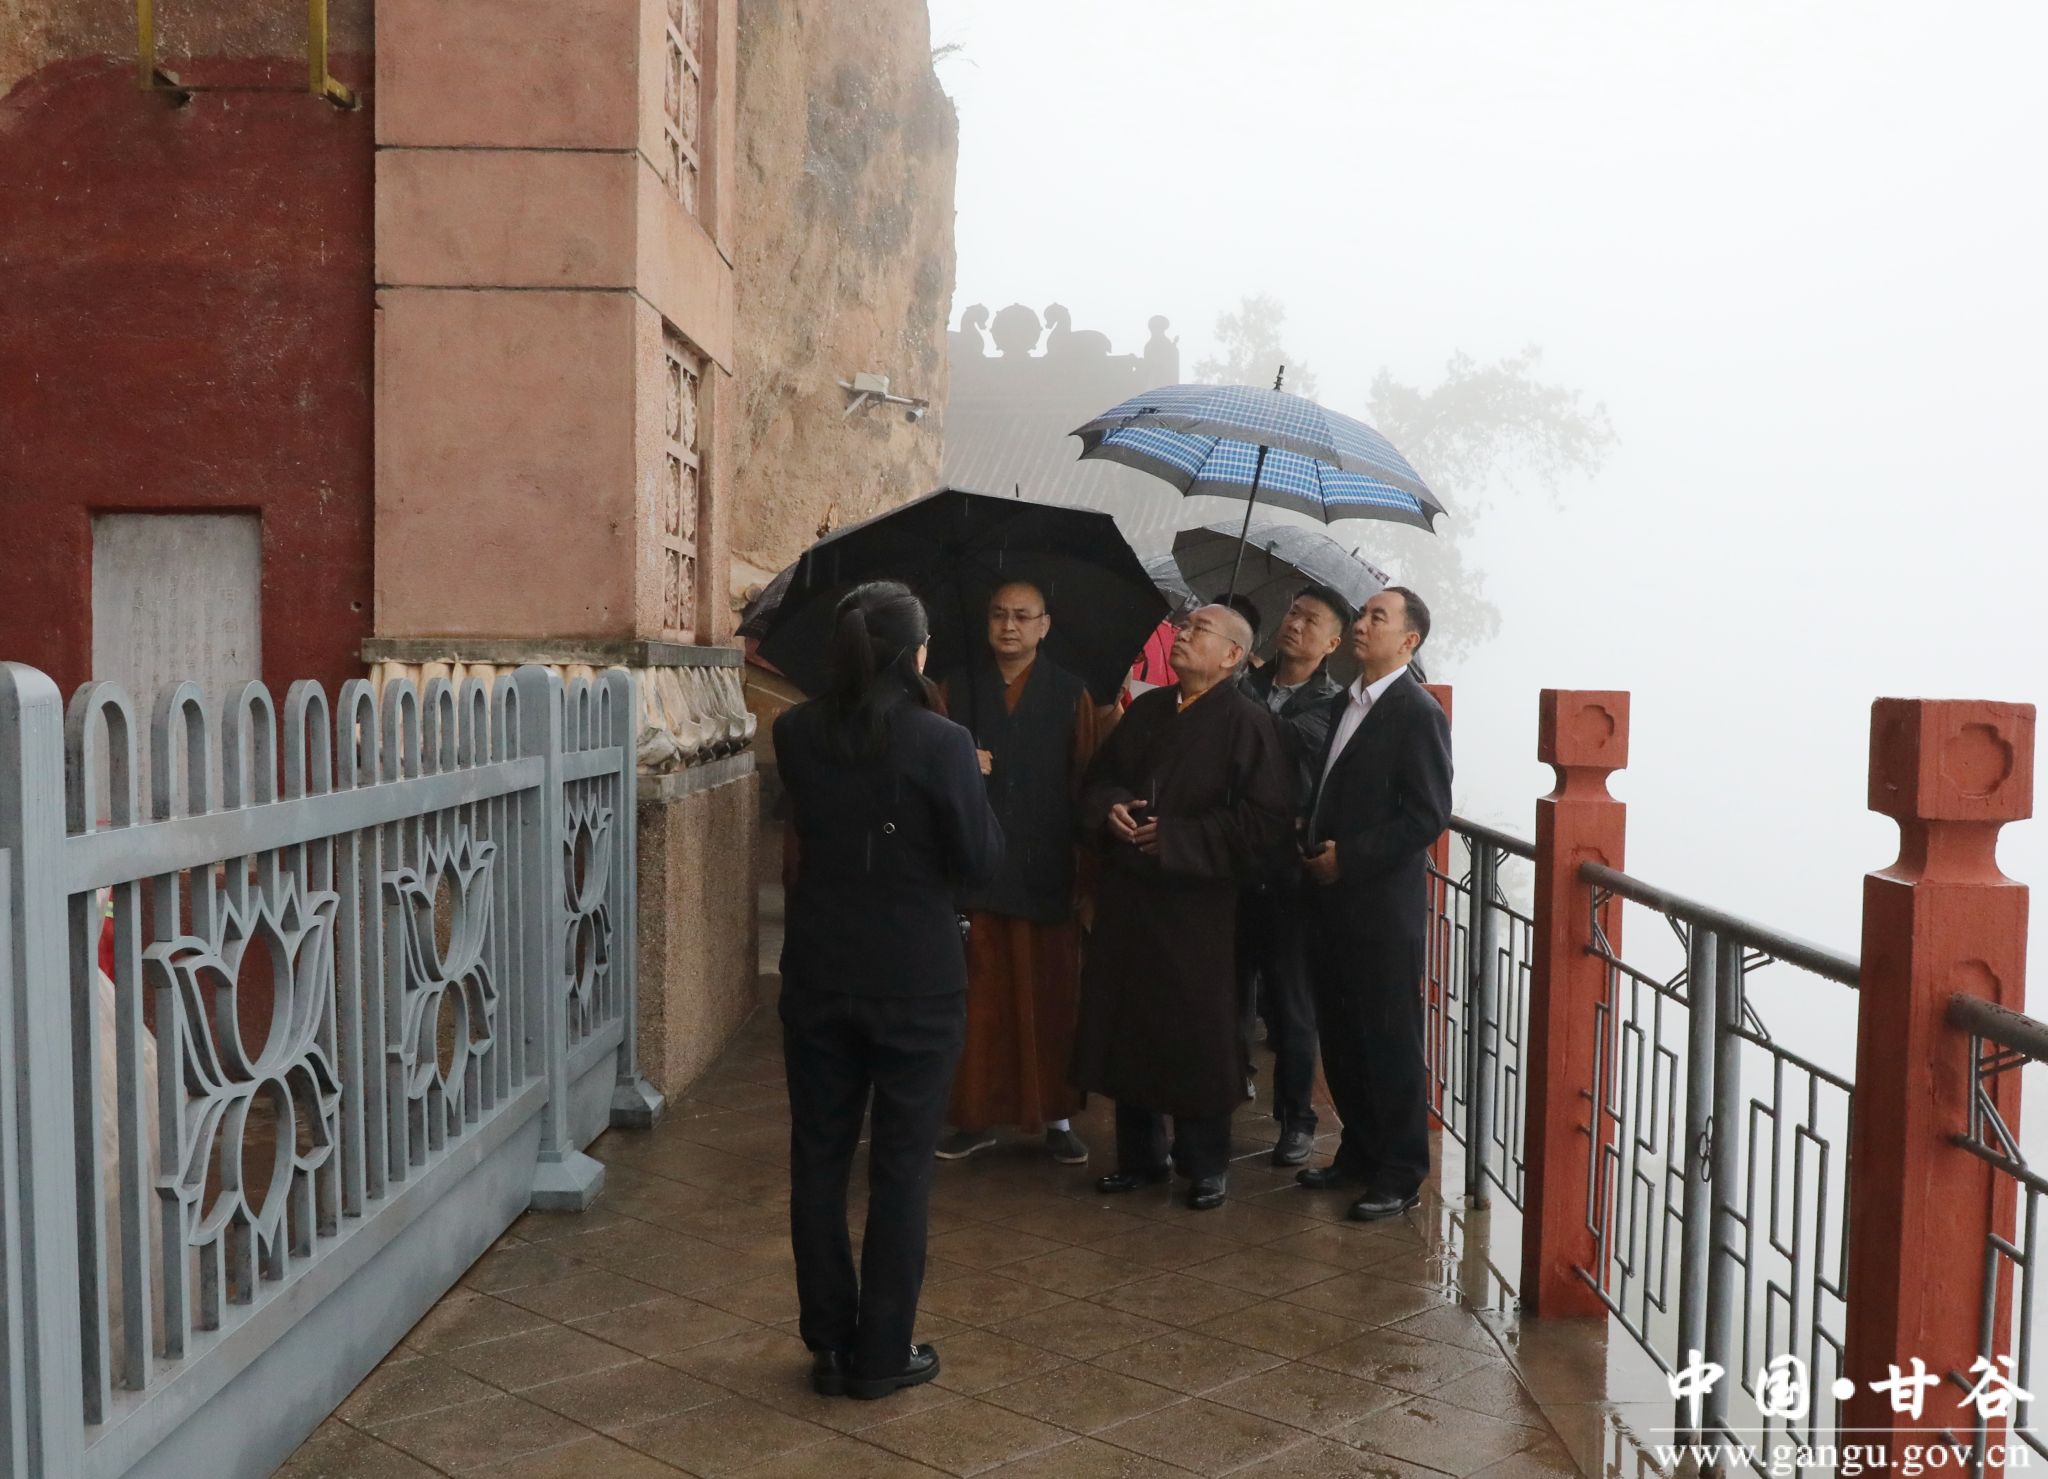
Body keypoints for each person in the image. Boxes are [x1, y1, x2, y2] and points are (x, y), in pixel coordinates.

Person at [773, 581, 1004, 1399]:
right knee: (902, 1168)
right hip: (915, 980)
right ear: (915, 654)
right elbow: (979, 861)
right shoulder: (943, 741)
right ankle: (882, 1351)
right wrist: (972, 780)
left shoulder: (795, 729)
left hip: (819, 971)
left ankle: (830, 1343)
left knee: (818, 1160)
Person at [1070, 604, 1291, 1211]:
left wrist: (1178, 837)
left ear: (1232, 656)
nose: (1184, 634)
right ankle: (1139, 1158)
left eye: (1199, 630)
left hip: (1198, 906)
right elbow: (1099, 782)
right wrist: (1112, 809)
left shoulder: (1248, 724)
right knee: (1131, 1023)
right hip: (1130, 897)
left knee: (1197, 1034)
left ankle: (1204, 1162)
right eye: (1185, 626)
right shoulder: (1147, 711)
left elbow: (1264, 822)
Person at [936, 580, 1116, 1165]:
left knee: (1049, 1000)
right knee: (978, 1001)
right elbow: (927, 774)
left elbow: (1087, 786)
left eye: (1021, 616)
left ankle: (1055, 1118)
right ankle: (973, 1116)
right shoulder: (955, 688)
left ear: (1044, 625)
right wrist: (959, 763)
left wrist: (1088, 881)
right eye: (997, 615)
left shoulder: (1070, 693)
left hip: (1046, 869)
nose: (1008, 626)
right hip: (976, 871)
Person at [1296, 587, 1453, 1221]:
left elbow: (1427, 815)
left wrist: (1350, 856)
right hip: (1330, 901)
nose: (1362, 624)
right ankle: (1358, 1151)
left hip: (1381, 908)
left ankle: (1401, 1171)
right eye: (1362, 614)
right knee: (1341, 1035)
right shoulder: (1346, 701)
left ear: (1408, 640)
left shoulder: (1417, 712)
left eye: (1376, 617)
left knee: (1388, 1041)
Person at [1237, 585, 1352, 1165]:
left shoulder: (1331, 705)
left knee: (1292, 1001)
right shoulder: (1245, 684)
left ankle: (1297, 1119)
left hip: (1290, 869)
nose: (1296, 624)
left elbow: (1279, 741)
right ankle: (1215, 1101)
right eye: (1293, 612)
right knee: (1224, 993)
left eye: (1312, 621)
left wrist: (1227, 695)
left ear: (1333, 643)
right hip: (1233, 859)